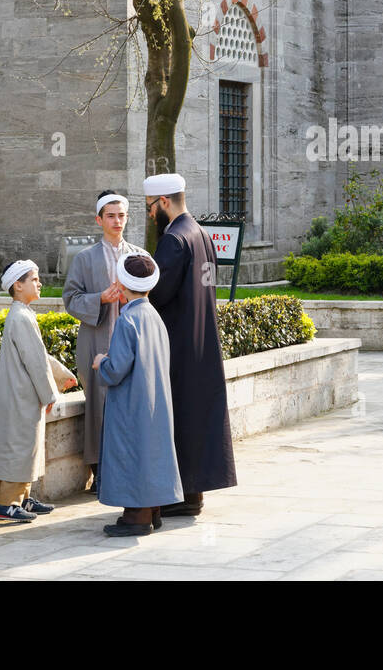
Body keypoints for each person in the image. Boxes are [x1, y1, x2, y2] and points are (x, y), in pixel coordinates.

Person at [144, 172, 237, 517]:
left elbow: (157, 293)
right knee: (196, 418)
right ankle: (193, 495)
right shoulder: (201, 235)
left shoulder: (173, 241)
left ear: (164, 202)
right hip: (203, 342)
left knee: (179, 419)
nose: (151, 215)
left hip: (179, 344)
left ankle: (179, 495)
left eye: (151, 208)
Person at [93, 252, 184, 537]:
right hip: (155, 397)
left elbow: (116, 369)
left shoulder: (127, 319)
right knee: (151, 451)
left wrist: (100, 363)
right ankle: (153, 510)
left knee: (130, 452)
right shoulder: (153, 315)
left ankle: (137, 515)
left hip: (131, 401)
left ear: (122, 283)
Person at [62, 191, 145, 492]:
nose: (117, 221)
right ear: (99, 220)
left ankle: (131, 466)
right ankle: (101, 473)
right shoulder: (85, 258)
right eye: (110, 215)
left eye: (121, 215)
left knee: (129, 404)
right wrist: (101, 298)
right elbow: (70, 298)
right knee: (98, 406)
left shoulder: (138, 256)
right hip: (97, 340)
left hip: (129, 341)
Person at [0, 260, 78, 523]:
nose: (39, 283)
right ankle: (5, 504)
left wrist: (63, 376)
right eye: (34, 279)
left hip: (24, 394)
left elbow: (38, 355)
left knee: (27, 445)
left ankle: (23, 499)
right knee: (19, 447)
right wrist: (51, 394)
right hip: (20, 395)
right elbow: (36, 361)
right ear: (18, 286)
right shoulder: (20, 316)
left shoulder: (23, 313)